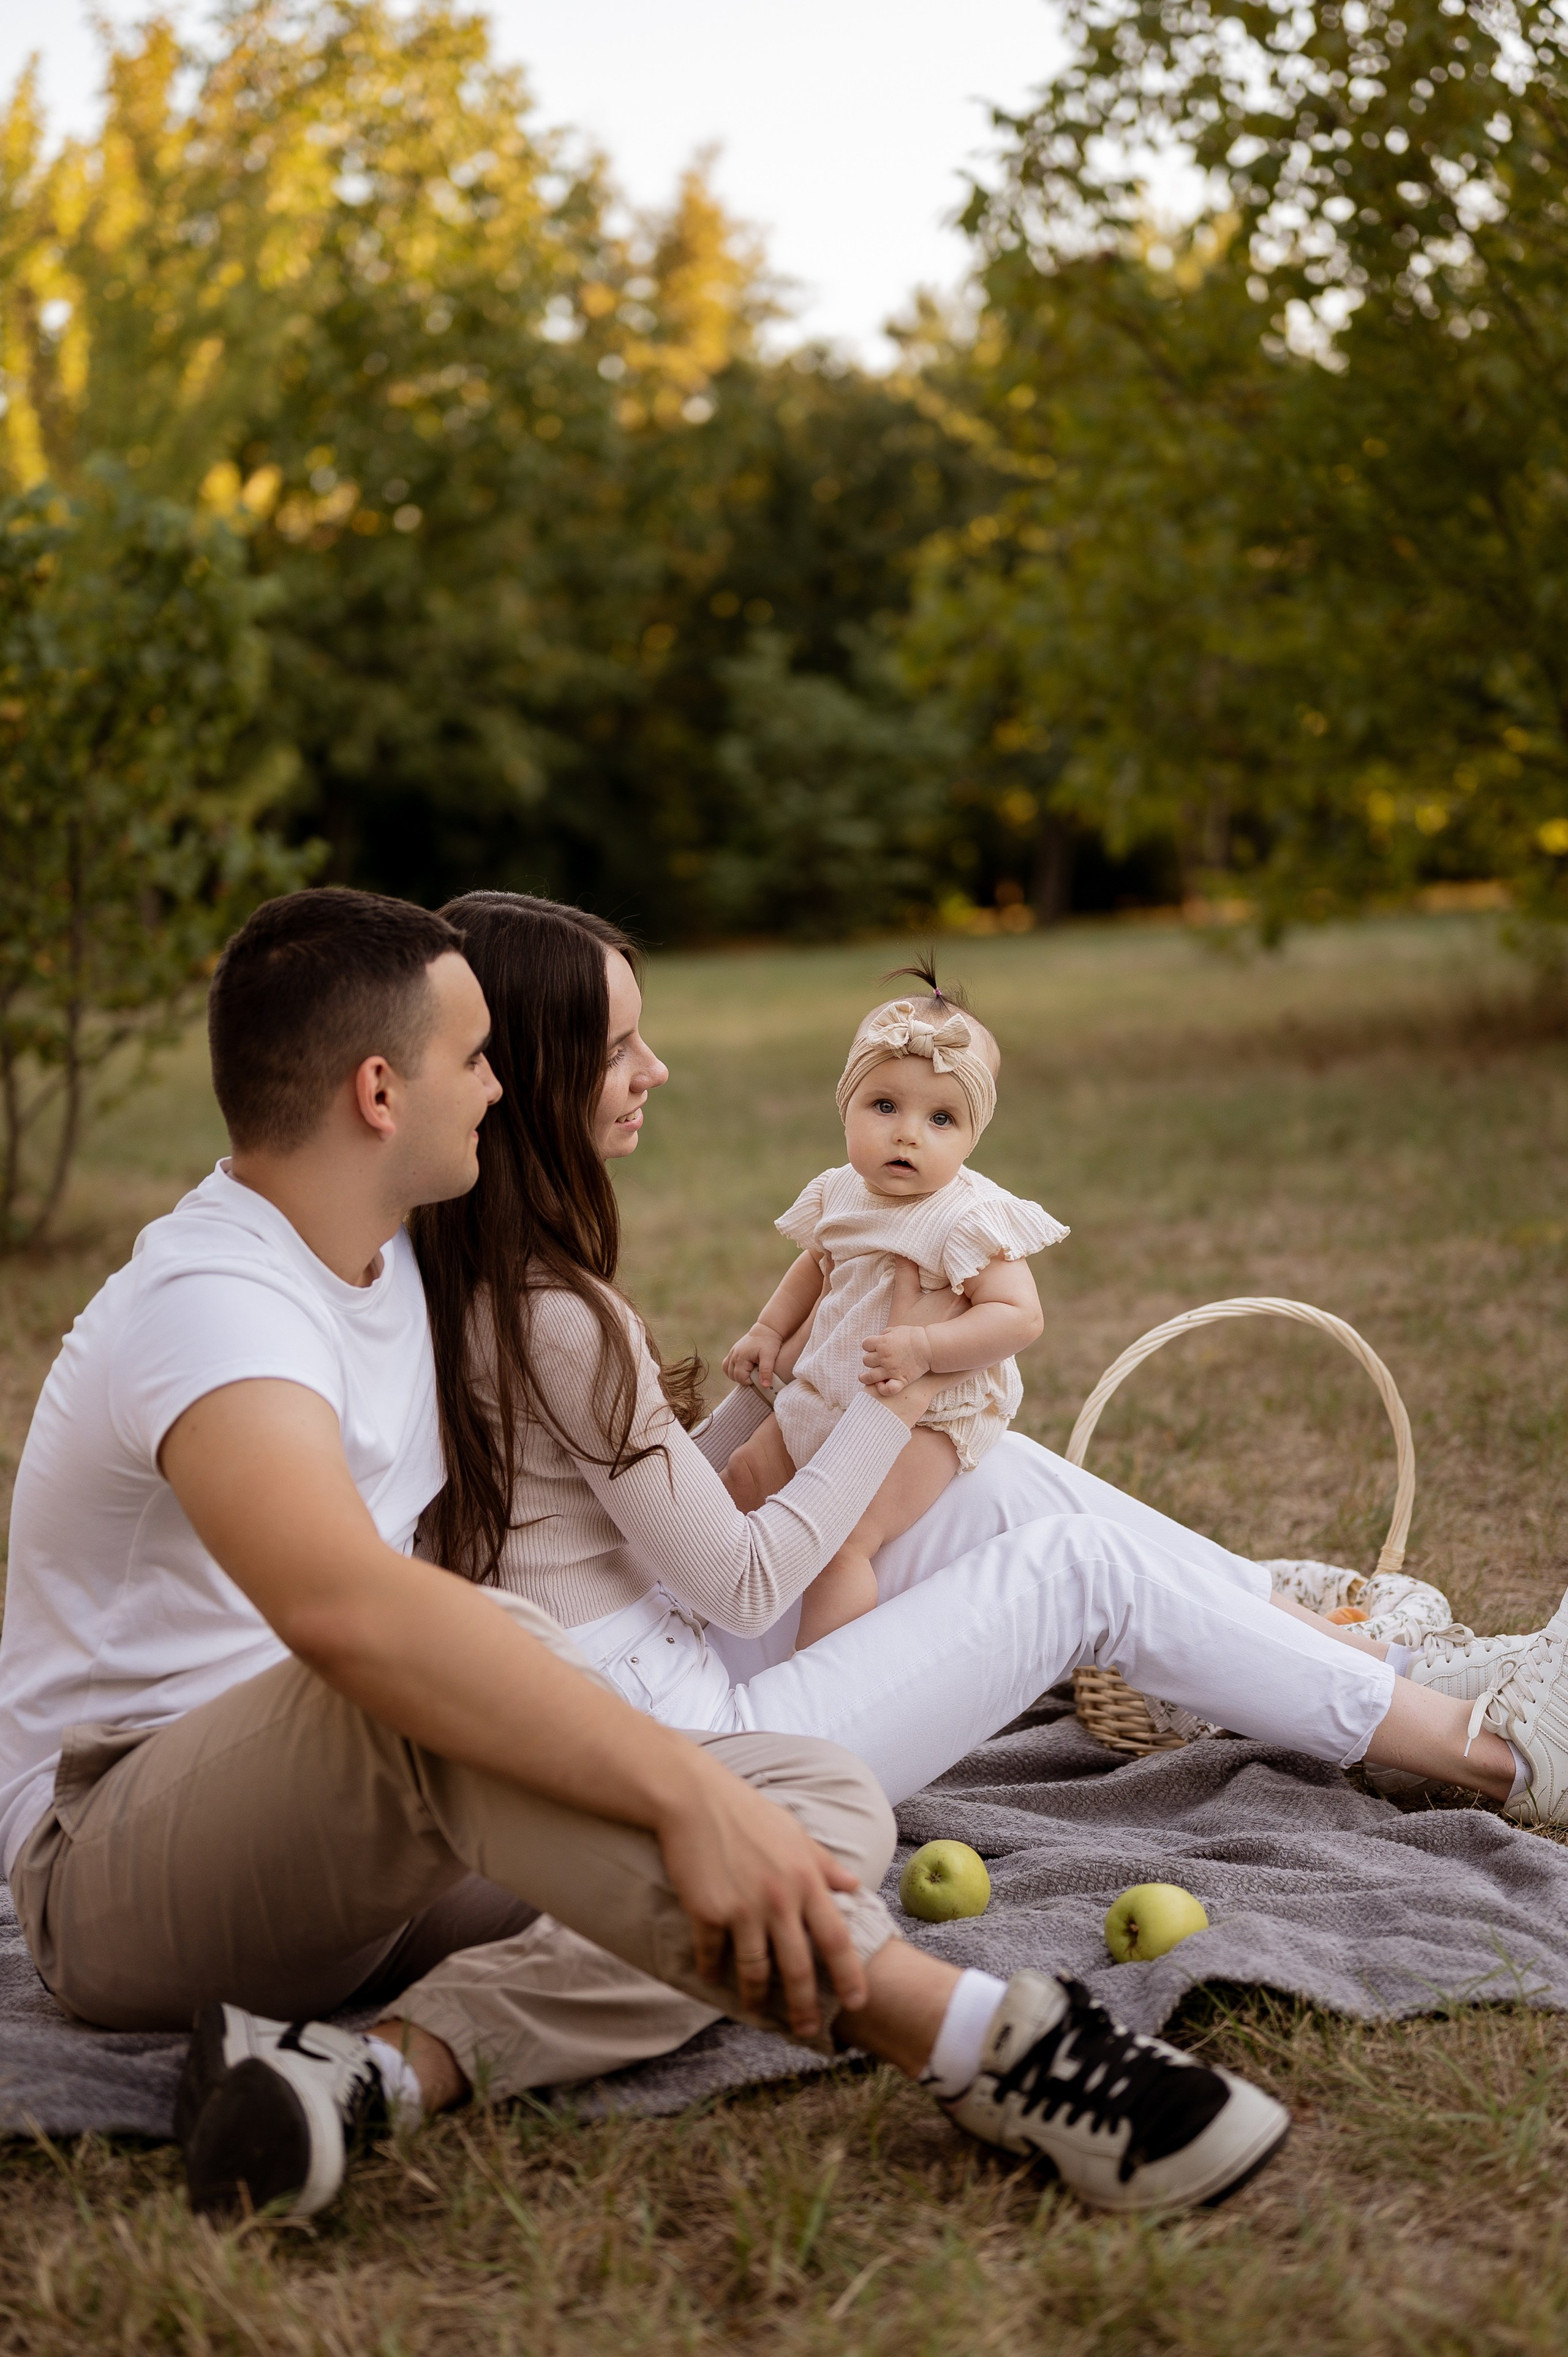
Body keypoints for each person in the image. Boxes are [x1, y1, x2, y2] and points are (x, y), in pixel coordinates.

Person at [0, 888, 1295, 2227]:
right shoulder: (217, 1305)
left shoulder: (390, 1272)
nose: (502, 1086)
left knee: (821, 1806)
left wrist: (716, 1779)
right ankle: (979, 2041)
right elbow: (349, 1614)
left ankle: (378, 2070)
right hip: (117, 1869)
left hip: (362, 1863)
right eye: (477, 1058)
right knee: (448, 1668)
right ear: (379, 1091)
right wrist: (681, 1798)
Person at [404, 887, 1568, 2100]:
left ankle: (1371, 1661)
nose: (656, 1066)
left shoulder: (458, 1261)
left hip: (650, 1657)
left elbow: (617, 1508)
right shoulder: (555, 1311)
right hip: (686, 1746)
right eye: (618, 1048)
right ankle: (1488, 1752)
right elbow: (740, 1571)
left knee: (989, 1471)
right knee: (1074, 1565)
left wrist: (775, 1392)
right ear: (534, 1071)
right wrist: (888, 1401)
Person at [719, 963, 1066, 1646]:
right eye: (884, 1107)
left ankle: (823, 1677)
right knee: (741, 1476)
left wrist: (925, 1347)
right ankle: (698, 1622)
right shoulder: (841, 1191)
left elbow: (1019, 1316)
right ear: (844, 1106)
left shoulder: (968, 1216)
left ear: (973, 1135)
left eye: (941, 1118)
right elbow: (814, 1265)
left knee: (842, 1539)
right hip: (825, 1395)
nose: (908, 1134)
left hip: (927, 1419)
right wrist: (768, 1328)